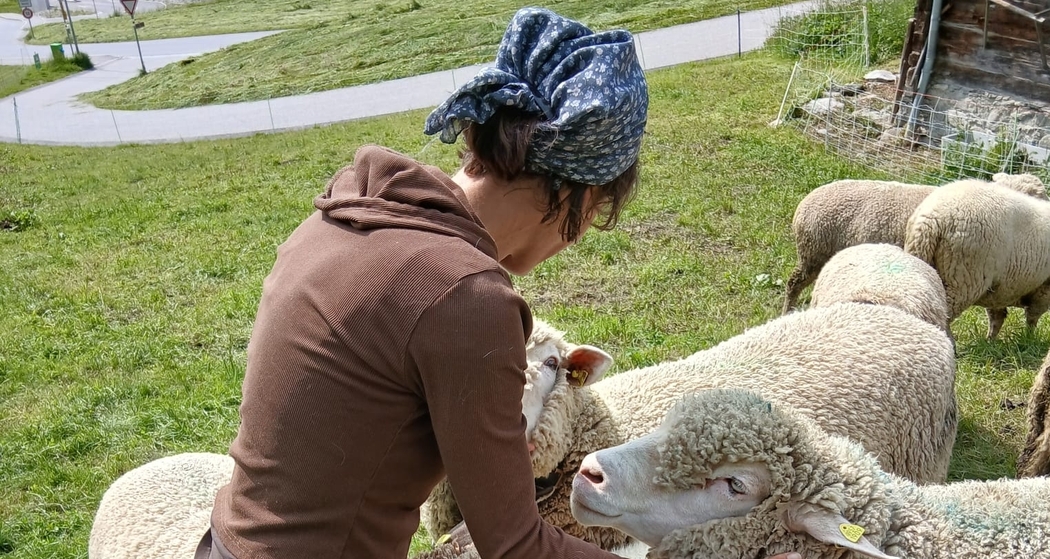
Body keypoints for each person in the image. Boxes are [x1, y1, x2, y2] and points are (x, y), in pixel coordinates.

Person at [196, 7, 801, 559]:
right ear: (577, 191)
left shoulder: (346, 213)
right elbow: (513, 544)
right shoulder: (464, 297)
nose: (577, 239)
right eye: (594, 216)